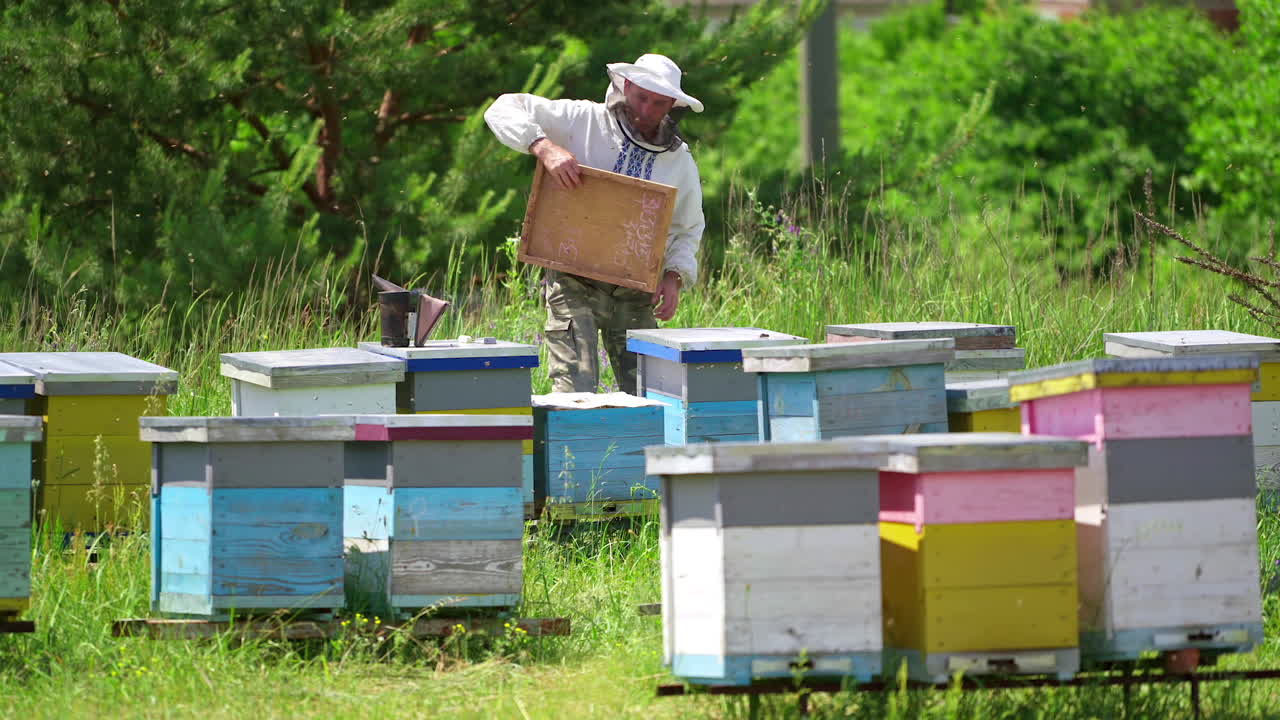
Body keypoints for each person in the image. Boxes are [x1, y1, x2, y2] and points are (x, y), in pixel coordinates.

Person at [484, 53, 705, 394]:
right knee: (576, 388)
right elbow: (502, 108)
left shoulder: (678, 159)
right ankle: (571, 448)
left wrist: (674, 276)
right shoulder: (582, 119)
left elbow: (688, 227)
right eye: (641, 97)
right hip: (572, 278)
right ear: (626, 86)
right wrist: (543, 147)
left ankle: (636, 449)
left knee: (651, 392)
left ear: (672, 104)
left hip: (635, 289)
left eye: (658, 102)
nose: (647, 109)